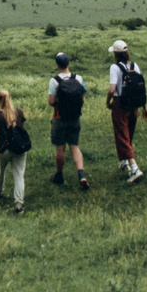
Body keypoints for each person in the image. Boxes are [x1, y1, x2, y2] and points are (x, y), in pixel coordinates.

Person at [106, 38, 147, 183]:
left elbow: (112, 89)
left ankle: (134, 167)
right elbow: (140, 87)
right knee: (128, 133)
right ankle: (124, 162)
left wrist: (108, 102)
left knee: (121, 134)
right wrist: (144, 107)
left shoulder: (114, 68)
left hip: (120, 103)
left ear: (116, 54)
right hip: (135, 104)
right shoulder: (135, 65)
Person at [46, 52, 90, 190]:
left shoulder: (54, 81)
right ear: (68, 63)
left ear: (57, 65)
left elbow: (51, 101)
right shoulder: (78, 78)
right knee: (74, 146)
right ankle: (81, 174)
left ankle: (59, 175)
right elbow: (82, 98)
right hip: (75, 117)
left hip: (59, 117)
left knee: (60, 148)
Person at [0, 88, 33, 213]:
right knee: (19, 176)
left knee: (0, 170)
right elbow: (20, 131)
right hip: (19, 148)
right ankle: (19, 204)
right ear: (9, 98)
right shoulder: (18, 112)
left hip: (3, 149)